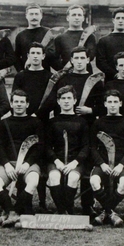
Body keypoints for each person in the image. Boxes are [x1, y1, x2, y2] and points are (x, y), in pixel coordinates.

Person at [0, 90, 44, 227]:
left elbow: (39, 147)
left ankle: (16, 211)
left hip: (28, 164)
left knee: (33, 181)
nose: (19, 104)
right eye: (16, 102)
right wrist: (6, 164)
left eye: (22, 102)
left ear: (27, 104)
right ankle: (11, 211)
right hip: (9, 163)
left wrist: (27, 163)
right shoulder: (4, 123)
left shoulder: (36, 122)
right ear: (11, 104)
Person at [90, 90, 124, 227]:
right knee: (94, 181)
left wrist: (121, 165)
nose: (113, 105)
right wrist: (102, 164)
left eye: (115, 102)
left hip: (120, 164)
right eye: (109, 102)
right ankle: (111, 212)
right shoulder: (98, 122)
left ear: (120, 103)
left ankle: (105, 212)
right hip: (103, 163)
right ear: (105, 104)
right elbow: (92, 146)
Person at [46, 86, 89, 214]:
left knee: (73, 177)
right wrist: (57, 161)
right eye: (63, 98)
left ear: (74, 100)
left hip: (75, 161)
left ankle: (68, 208)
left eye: (69, 98)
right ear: (58, 101)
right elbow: (47, 146)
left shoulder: (82, 122)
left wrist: (75, 162)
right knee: (54, 176)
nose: (66, 101)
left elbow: (86, 146)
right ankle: (61, 210)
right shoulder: (52, 122)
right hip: (56, 160)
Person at [49, 4, 96, 71]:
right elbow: (54, 59)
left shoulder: (90, 36)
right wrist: (63, 70)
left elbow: (91, 56)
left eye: (79, 15)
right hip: (67, 75)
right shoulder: (60, 38)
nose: (76, 17)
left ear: (83, 18)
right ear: (68, 18)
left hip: (85, 73)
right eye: (74, 15)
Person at [12, 42, 52, 118]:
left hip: (42, 118)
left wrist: (37, 114)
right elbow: (15, 97)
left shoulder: (50, 77)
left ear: (43, 56)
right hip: (23, 117)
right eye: (33, 53)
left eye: (38, 53)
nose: (35, 56)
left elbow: (50, 101)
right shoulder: (20, 76)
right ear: (28, 56)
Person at [96, 8, 124, 81]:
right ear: (113, 20)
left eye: (123, 18)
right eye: (118, 18)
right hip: (110, 79)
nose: (120, 20)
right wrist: (114, 74)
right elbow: (100, 61)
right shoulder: (103, 40)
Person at [14, 4, 51, 71]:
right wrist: (21, 71)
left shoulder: (49, 33)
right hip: (26, 74)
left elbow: (53, 55)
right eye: (31, 14)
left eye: (36, 14)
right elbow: (16, 57)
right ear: (26, 16)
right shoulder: (20, 35)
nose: (34, 17)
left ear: (41, 16)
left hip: (45, 74)